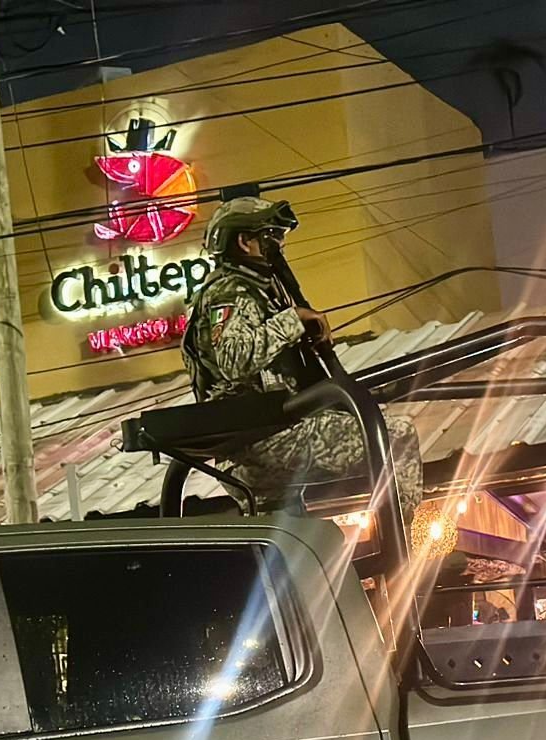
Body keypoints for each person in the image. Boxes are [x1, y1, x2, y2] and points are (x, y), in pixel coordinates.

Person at [181, 195, 423, 522]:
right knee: (396, 435)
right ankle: (404, 540)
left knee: (295, 544)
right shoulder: (231, 291)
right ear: (244, 241)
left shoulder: (252, 290)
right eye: (272, 237)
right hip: (263, 441)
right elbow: (234, 359)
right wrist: (293, 318)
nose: (279, 245)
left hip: (256, 446)